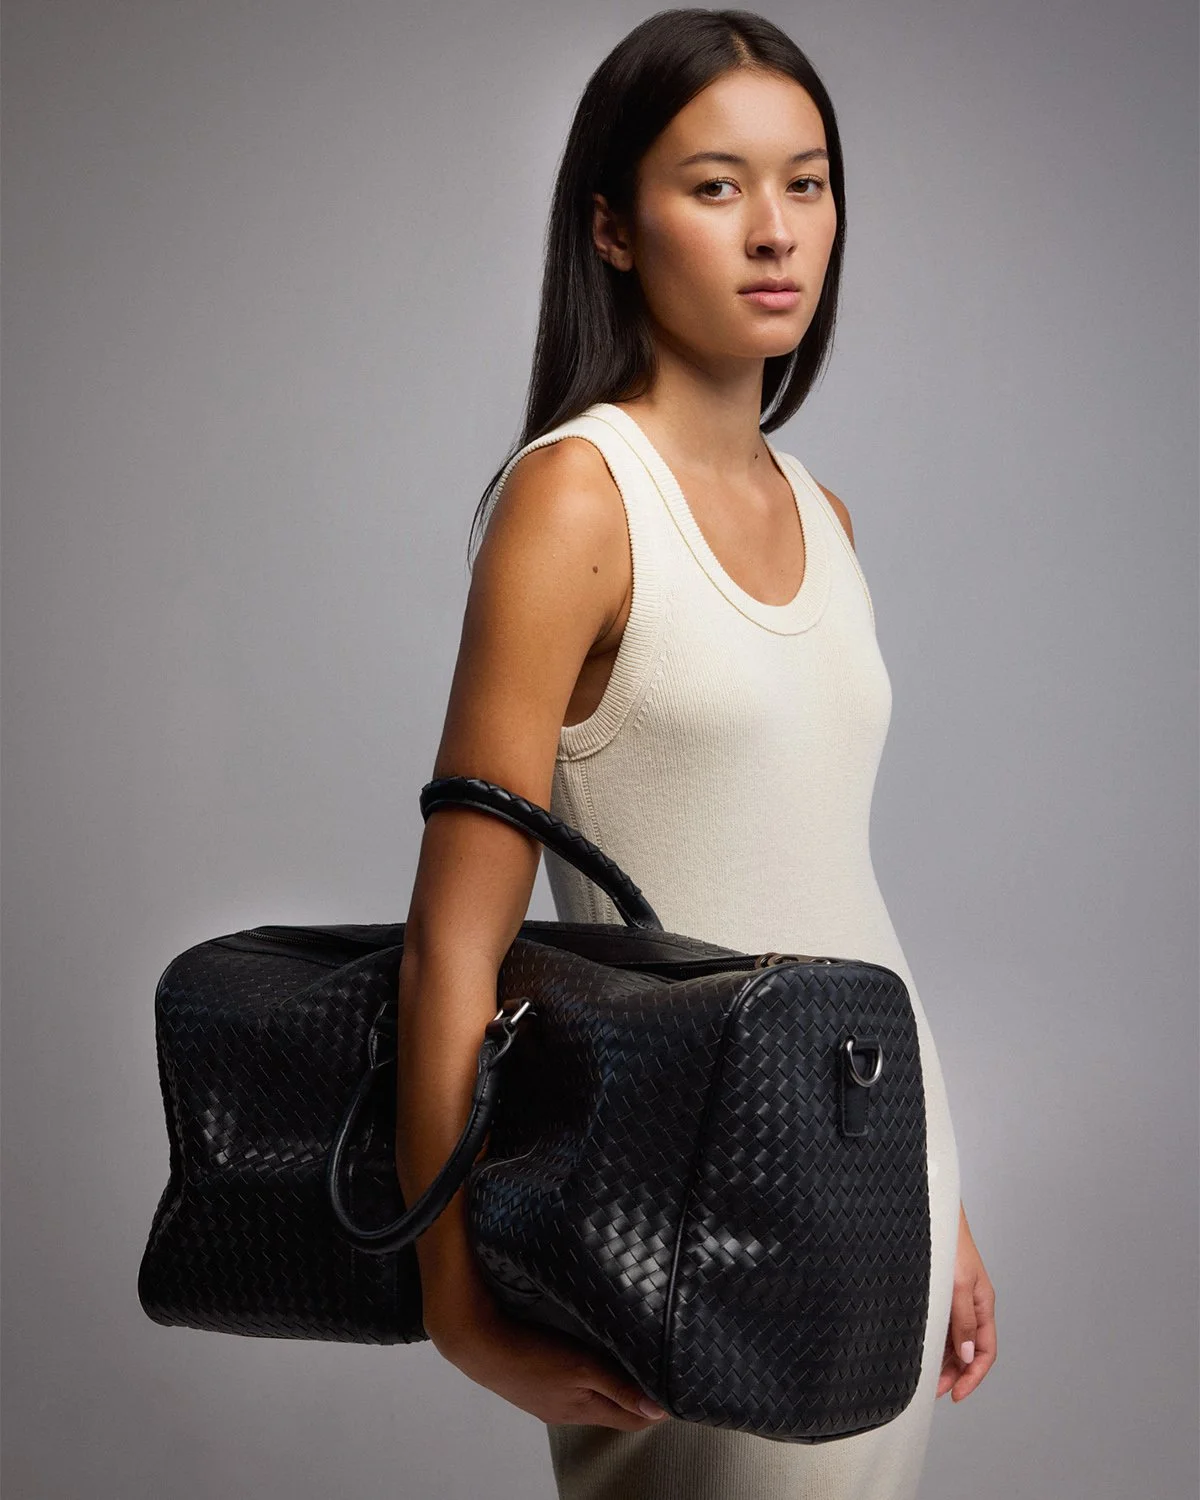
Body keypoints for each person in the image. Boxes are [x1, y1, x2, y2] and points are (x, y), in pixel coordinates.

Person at [394, 9, 997, 1498]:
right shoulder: (578, 501)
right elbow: (454, 945)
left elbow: (825, 877)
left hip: (880, 1169)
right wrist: (457, 1307)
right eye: (716, 185)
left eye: (807, 182)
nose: (775, 229)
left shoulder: (826, 516)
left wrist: (939, 1201)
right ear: (612, 226)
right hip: (686, 1206)